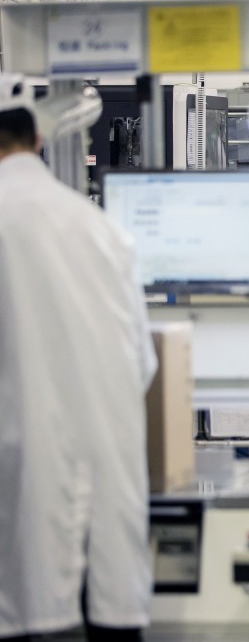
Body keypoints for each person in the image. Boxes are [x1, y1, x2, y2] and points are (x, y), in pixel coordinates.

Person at [0, 78, 157, 642]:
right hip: (101, 497)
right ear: (39, 137)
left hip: (18, 491)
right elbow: (142, 364)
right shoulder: (101, 230)